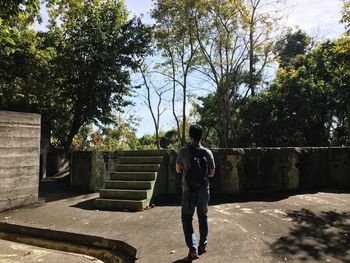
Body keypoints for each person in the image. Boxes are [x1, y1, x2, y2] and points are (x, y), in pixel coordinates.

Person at [176, 124, 215, 261]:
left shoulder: (183, 151)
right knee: (203, 216)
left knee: (187, 219)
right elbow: (212, 173)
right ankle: (202, 246)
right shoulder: (208, 152)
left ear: (190, 136)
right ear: (201, 136)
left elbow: (178, 169)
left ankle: (192, 249)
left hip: (188, 191)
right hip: (203, 191)